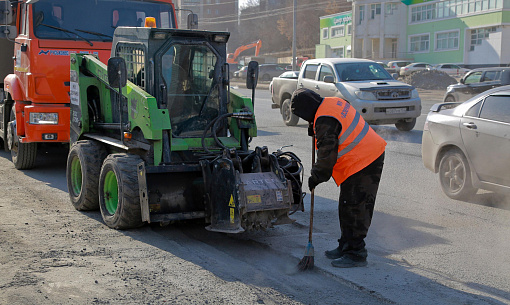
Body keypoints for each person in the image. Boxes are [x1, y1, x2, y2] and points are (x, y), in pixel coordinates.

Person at [291, 88, 386, 268]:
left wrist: (316, 177)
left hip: (365, 160)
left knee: (356, 207)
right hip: (361, 158)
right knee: (346, 205)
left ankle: (356, 253)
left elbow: (327, 156)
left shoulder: (325, 120)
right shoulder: (331, 103)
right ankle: (345, 245)